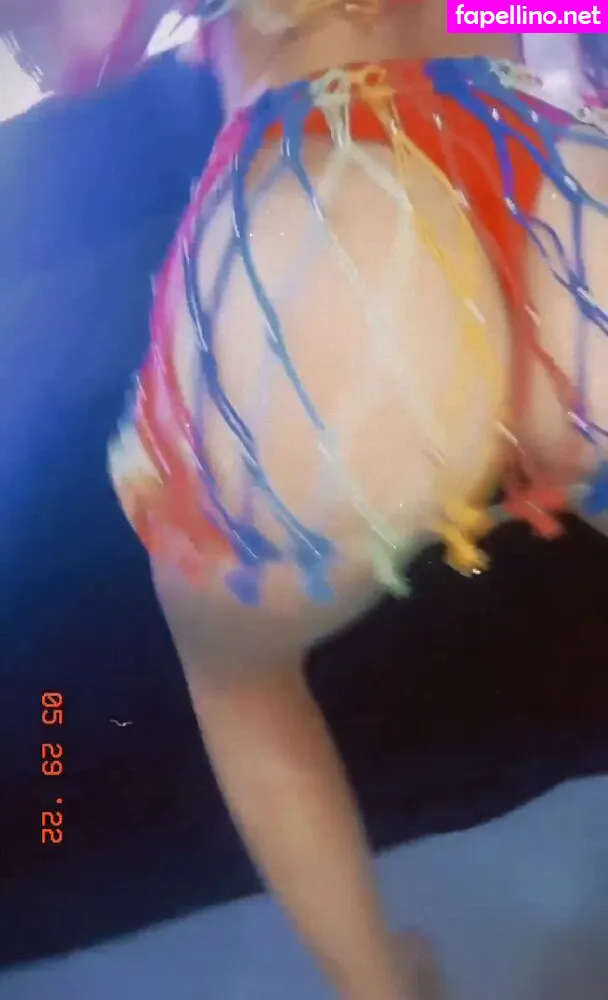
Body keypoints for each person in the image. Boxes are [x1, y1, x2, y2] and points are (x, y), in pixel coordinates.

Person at [6, 4, 608, 996]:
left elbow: (78, 49)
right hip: (551, 181)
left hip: (330, 212)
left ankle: (383, 984)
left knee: (237, 674)